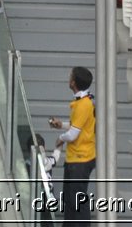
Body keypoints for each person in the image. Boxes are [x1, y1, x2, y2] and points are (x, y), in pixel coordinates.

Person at [48, 66, 96, 226]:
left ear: (74, 82)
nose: (68, 78)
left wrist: (60, 138)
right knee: (70, 198)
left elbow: (73, 134)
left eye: (70, 76)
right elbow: (77, 126)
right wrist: (61, 125)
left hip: (81, 159)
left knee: (77, 200)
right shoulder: (84, 102)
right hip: (76, 159)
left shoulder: (84, 105)